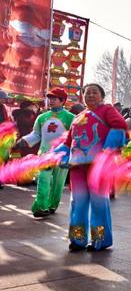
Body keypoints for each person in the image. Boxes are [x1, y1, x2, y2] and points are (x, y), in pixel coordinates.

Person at [56, 84, 127, 251]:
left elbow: (119, 126)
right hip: (77, 167)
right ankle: (78, 239)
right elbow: (67, 143)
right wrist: (55, 156)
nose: (90, 95)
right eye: (87, 93)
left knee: (99, 204)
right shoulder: (78, 117)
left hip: (98, 167)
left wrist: (107, 150)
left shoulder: (107, 110)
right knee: (77, 203)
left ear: (101, 96)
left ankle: (100, 240)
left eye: (94, 92)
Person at [18, 89, 75, 217]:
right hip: (45, 154)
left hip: (62, 156)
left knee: (58, 183)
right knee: (43, 180)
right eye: (50, 98)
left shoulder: (71, 118)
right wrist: (25, 140)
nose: (51, 101)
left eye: (54, 99)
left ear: (62, 101)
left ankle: (52, 205)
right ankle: (41, 206)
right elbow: (36, 134)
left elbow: (75, 138)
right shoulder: (42, 117)